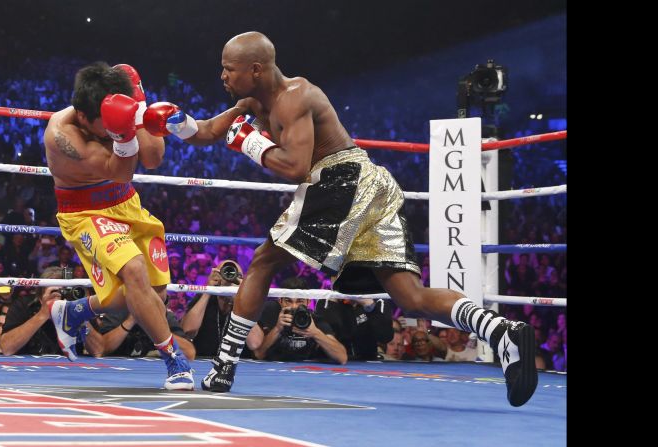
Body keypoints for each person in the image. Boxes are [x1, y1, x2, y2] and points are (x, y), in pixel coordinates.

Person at [142, 31, 537, 406]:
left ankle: (224, 366)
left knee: (264, 260)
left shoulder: (297, 97)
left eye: (229, 68)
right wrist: (170, 120)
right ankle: (502, 331)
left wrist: (250, 141)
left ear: (256, 69)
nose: (222, 75)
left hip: (341, 178)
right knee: (410, 297)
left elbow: (297, 167)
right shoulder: (251, 104)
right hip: (370, 185)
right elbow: (208, 131)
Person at [42, 62, 194, 390]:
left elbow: (153, 159)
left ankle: (72, 313)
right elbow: (120, 170)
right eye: (105, 127)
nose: (109, 130)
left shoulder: (115, 107)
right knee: (135, 272)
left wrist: (138, 102)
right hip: (85, 211)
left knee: (150, 294)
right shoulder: (62, 135)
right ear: (84, 117)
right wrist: (125, 134)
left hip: (126, 203)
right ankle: (174, 360)